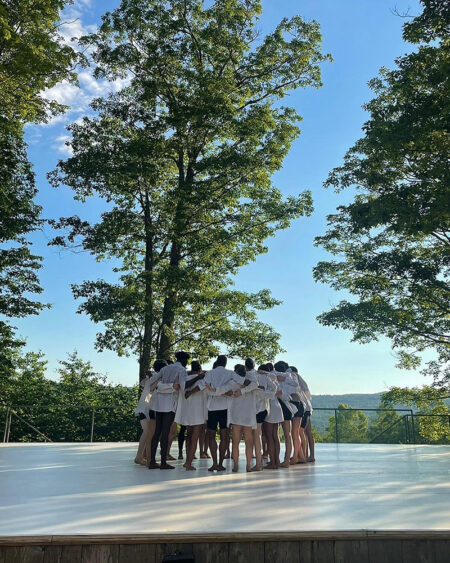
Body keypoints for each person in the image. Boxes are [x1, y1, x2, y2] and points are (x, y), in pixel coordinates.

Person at [148, 351, 190, 469]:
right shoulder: (181, 370)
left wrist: (161, 385)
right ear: (184, 361)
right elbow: (183, 386)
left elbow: (152, 380)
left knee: (157, 432)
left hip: (159, 403)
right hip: (170, 403)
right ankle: (163, 462)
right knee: (165, 432)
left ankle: (152, 461)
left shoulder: (165, 368)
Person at [204, 354, 235, 472]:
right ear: (226, 363)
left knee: (211, 435)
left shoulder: (210, 373)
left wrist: (215, 392)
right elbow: (233, 387)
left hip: (212, 407)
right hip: (225, 407)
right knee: (225, 436)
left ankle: (214, 463)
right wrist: (223, 393)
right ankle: (221, 463)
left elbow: (205, 387)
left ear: (217, 361)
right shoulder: (231, 373)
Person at [175, 360, 207, 470]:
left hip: (186, 410)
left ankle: (187, 461)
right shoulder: (201, 379)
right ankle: (189, 462)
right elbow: (201, 387)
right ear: (199, 369)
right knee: (194, 437)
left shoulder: (186, 379)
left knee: (189, 436)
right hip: (197, 411)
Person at [134, 359, 167, 465]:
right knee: (148, 433)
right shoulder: (156, 377)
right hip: (146, 409)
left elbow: (143, 383)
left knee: (147, 433)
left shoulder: (153, 376)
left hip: (146, 408)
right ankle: (146, 458)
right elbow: (150, 387)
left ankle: (141, 457)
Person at [228, 363, 258, 472]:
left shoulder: (233, 383)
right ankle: (248, 465)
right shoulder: (251, 384)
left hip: (236, 415)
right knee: (249, 442)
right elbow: (256, 385)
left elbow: (224, 391)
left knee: (235, 442)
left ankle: (235, 465)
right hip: (248, 415)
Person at [251, 359, 275, 471]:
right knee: (258, 435)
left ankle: (258, 463)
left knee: (256, 436)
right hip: (264, 408)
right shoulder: (267, 377)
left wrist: (260, 391)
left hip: (256, 409)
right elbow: (274, 389)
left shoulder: (253, 376)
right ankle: (259, 461)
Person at [273, 360, 298, 468]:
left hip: (277, 405)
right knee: (287, 434)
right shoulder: (289, 377)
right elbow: (296, 387)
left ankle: (276, 460)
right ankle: (286, 459)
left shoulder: (273, 375)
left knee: (275, 434)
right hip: (286, 405)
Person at [260, 364, 284, 469]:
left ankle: (272, 462)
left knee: (269, 437)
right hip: (277, 407)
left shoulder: (265, 380)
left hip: (270, 407)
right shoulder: (275, 380)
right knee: (275, 436)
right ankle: (276, 460)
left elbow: (265, 394)